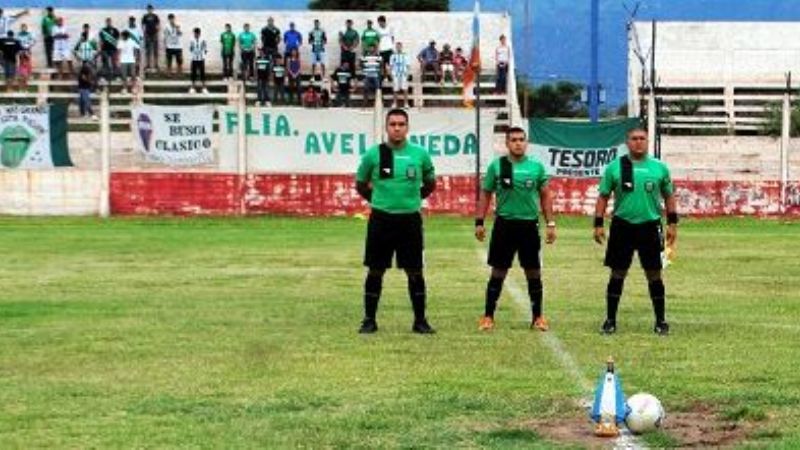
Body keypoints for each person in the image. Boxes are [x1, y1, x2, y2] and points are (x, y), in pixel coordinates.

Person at [355, 108, 437, 334]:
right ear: (386, 127)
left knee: (415, 270)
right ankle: (369, 320)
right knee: (375, 269)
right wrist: (378, 200)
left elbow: (430, 183)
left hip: (410, 220)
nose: (397, 128)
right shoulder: (374, 154)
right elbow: (360, 184)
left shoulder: (420, 154)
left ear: (407, 127)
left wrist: (413, 199)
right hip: (381, 219)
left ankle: (420, 321)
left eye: (401, 124)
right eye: (393, 124)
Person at [593, 127, 678, 336]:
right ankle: (610, 320)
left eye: (642, 138)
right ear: (627, 142)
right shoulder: (615, 167)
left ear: (647, 141)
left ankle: (660, 321)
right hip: (622, 226)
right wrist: (597, 223)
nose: (638, 142)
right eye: (634, 138)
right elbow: (603, 196)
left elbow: (669, 196)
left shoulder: (659, 168)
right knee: (617, 272)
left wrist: (672, 223)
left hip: (650, 226)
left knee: (654, 274)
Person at [475, 126, 556, 332]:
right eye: (513, 140)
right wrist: (479, 221)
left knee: (533, 272)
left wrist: (551, 224)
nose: (518, 143)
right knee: (498, 271)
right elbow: (485, 194)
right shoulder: (497, 166)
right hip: (504, 225)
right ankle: (488, 317)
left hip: (529, 225)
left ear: (526, 142)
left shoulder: (536, 167)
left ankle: (538, 317)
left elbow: (546, 195)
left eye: (521, 139)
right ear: (507, 143)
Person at [389, 41, 410, 108]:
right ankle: (395, 103)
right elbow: (391, 66)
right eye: (397, 47)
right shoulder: (393, 56)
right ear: (396, 47)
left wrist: (407, 74)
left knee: (405, 89)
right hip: (395, 74)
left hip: (403, 73)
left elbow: (408, 65)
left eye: (399, 47)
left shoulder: (405, 55)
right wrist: (391, 74)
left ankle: (406, 103)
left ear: (401, 47)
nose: (398, 48)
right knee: (395, 89)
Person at [99, 17, 120, 81]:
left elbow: (118, 39)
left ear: (111, 22)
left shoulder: (115, 30)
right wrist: (100, 49)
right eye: (107, 22)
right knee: (105, 64)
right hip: (105, 49)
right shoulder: (102, 30)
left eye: (109, 21)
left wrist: (118, 49)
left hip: (113, 49)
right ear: (106, 22)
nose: (108, 23)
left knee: (114, 64)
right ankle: (104, 77)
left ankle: (116, 77)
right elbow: (101, 41)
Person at [141, 4, 160, 72]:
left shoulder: (155, 16)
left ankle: (156, 64)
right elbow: (143, 25)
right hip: (147, 35)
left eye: (151, 9)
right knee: (148, 51)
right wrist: (144, 33)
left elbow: (158, 25)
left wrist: (157, 31)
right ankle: (148, 65)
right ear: (147, 10)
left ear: (152, 9)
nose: (150, 10)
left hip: (154, 35)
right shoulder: (145, 16)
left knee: (155, 51)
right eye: (148, 9)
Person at [188, 27, 208, 94]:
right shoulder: (191, 40)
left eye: (197, 33)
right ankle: (192, 87)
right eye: (195, 33)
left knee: (202, 73)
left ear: (199, 33)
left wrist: (203, 54)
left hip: (201, 58)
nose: (196, 35)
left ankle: (204, 87)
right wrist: (193, 53)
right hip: (194, 59)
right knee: (193, 73)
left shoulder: (203, 40)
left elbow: (205, 48)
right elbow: (190, 48)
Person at [17, 23, 36, 89]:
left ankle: (29, 74)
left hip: (27, 49)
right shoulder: (18, 34)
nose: (23, 28)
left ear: (26, 28)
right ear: (21, 28)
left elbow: (33, 41)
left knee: (28, 62)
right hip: (21, 50)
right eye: (22, 27)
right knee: (21, 62)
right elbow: (17, 42)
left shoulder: (29, 34)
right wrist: (20, 46)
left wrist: (29, 45)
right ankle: (21, 74)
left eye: (25, 27)